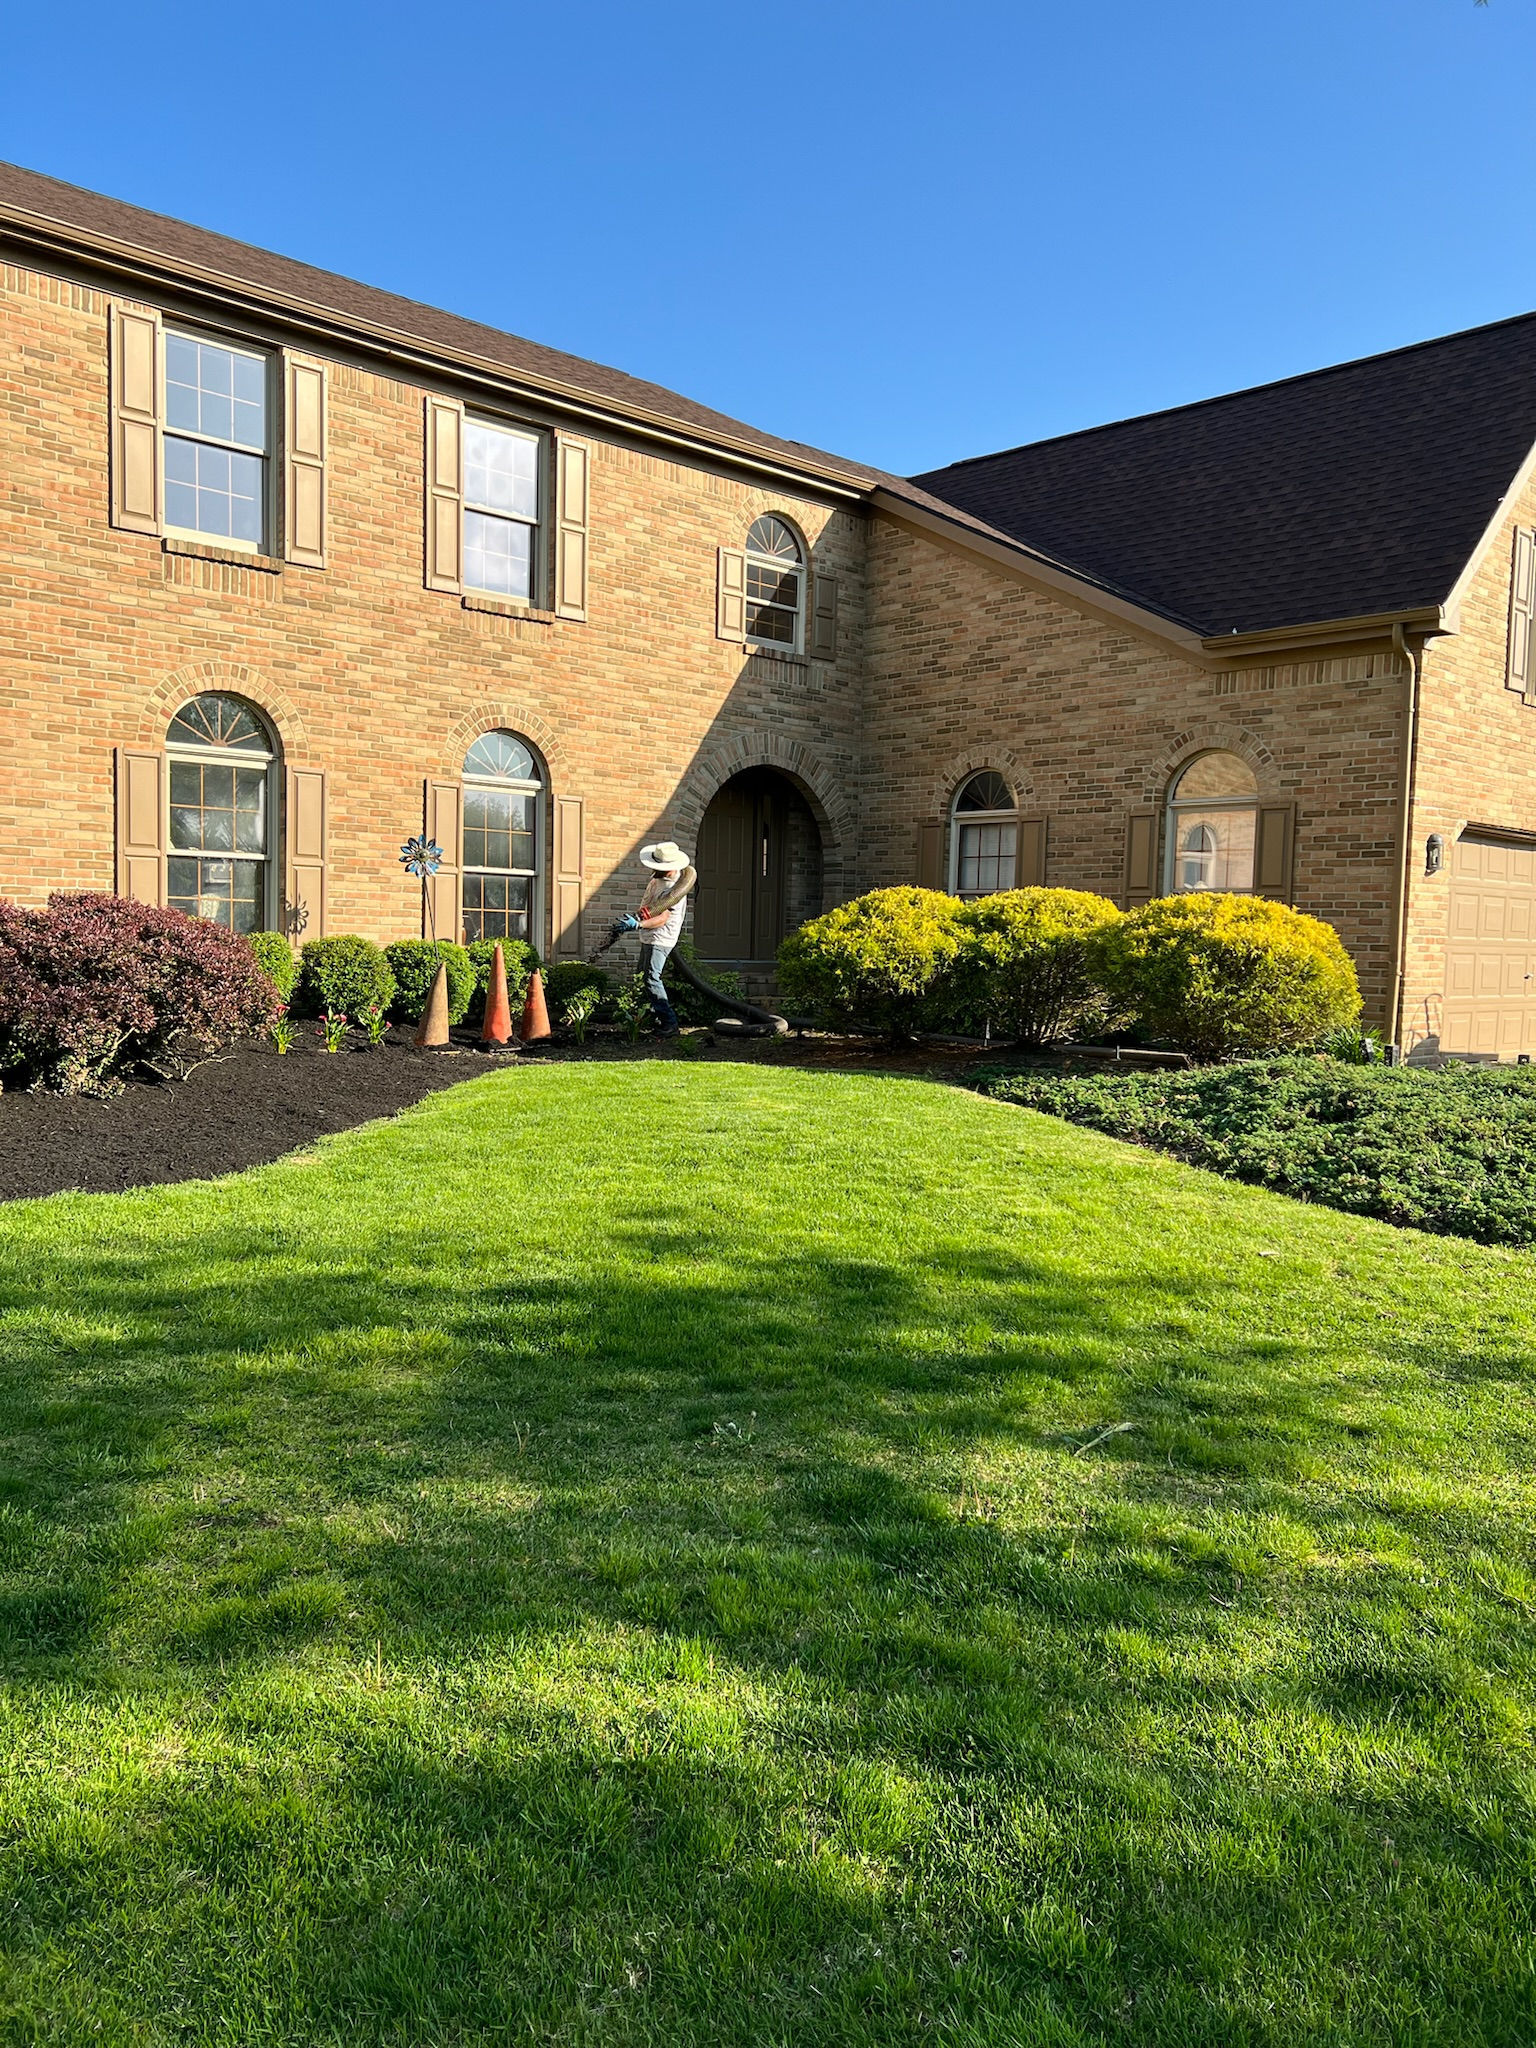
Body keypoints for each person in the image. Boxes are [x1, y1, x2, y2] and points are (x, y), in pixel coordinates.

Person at [623, 841, 696, 1036]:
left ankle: (670, 1024)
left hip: (660, 938)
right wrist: (637, 918)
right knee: (642, 976)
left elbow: (662, 918)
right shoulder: (658, 878)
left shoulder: (674, 889)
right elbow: (649, 906)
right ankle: (653, 1018)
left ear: (671, 867)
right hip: (650, 936)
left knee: (651, 978)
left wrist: (638, 925)